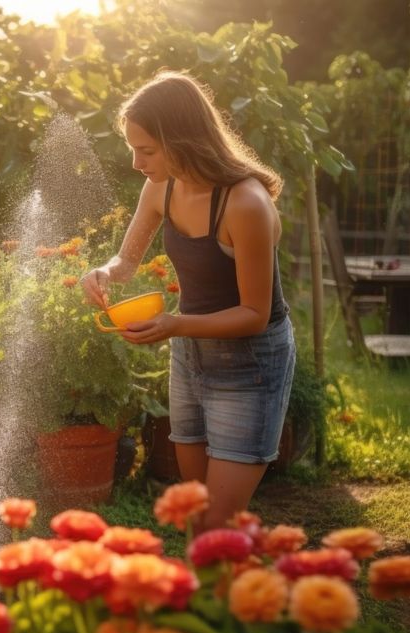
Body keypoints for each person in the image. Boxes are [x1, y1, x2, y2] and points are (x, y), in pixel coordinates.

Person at [81, 71, 296, 531]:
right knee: (199, 520)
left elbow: (255, 316)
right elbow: (126, 260)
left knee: (217, 524)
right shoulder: (163, 184)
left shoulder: (246, 204)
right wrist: (103, 272)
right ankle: (227, 597)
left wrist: (174, 324)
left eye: (147, 150)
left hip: (251, 365)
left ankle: (239, 597)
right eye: (133, 148)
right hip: (191, 356)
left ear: (183, 139)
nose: (137, 162)